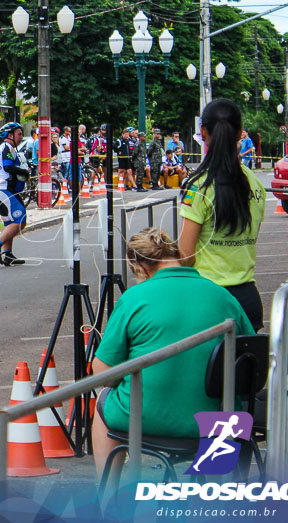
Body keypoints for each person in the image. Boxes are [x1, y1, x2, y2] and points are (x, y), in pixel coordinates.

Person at [91, 227, 254, 478]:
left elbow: (101, 371)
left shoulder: (134, 298)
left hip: (143, 416)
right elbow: (251, 358)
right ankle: (213, 495)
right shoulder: (222, 295)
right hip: (219, 419)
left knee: (103, 406)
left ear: (140, 267)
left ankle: (106, 500)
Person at [179, 99, 267, 332]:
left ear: (203, 132)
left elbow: (186, 256)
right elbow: (252, 236)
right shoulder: (255, 183)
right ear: (240, 132)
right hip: (248, 300)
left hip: (209, 300)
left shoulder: (198, 186)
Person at [0, 122, 29, 266]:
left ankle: (8, 254)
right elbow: (8, 166)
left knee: (9, 223)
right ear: (10, 135)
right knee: (20, 220)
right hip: (5, 189)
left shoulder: (6, 148)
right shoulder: (6, 147)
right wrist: (23, 172)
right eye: (19, 134)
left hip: (3, 189)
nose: (21, 137)